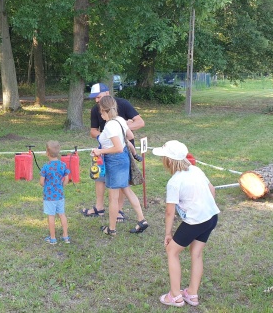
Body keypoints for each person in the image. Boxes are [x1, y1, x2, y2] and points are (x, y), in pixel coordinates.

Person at [153, 140, 220, 307]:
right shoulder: (196, 170)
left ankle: (175, 296)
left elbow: (170, 212)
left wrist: (168, 234)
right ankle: (192, 293)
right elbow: (212, 190)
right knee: (196, 253)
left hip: (195, 221)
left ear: (169, 161)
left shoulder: (174, 182)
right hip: (211, 217)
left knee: (172, 250)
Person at [81, 82, 145, 222]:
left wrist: (120, 131)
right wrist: (104, 137)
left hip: (122, 150)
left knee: (121, 182)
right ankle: (99, 208)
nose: (97, 101)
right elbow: (93, 131)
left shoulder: (123, 104)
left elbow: (140, 123)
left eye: (98, 97)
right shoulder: (95, 110)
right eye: (95, 98)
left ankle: (119, 211)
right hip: (104, 149)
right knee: (100, 176)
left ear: (107, 93)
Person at [91, 96, 148, 236]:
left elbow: (116, 148)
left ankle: (111, 229)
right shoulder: (121, 120)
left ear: (104, 110)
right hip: (123, 160)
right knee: (127, 190)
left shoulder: (110, 126)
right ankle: (142, 220)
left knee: (113, 198)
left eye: (101, 112)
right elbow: (129, 136)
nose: (100, 114)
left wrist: (100, 151)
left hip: (114, 161)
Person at [39, 141, 70, 245]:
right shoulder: (63, 165)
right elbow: (66, 178)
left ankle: (53, 238)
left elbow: (41, 182)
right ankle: (65, 236)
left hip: (49, 197)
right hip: (60, 195)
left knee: (51, 216)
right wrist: (62, 186)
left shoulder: (45, 167)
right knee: (62, 214)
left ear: (47, 152)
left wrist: (47, 187)